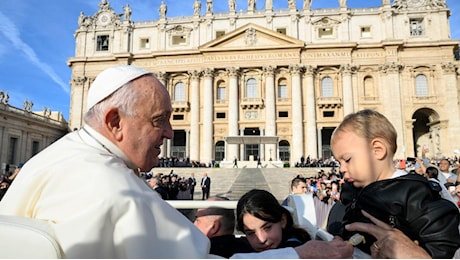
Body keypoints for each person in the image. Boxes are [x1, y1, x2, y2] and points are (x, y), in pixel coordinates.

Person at [0, 65, 353, 259]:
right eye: (159, 120)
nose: (171, 134)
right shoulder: (109, 189)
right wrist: (300, 256)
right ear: (113, 122)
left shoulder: (61, 158)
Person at [330, 109, 460, 258]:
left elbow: (442, 242)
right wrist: (341, 237)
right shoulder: (354, 191)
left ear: (377, 150)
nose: (341, 169)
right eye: (338, 162)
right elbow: (349, 222)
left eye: (347, 159)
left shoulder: (413, 192)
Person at [236, 189, 311, 252]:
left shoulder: (296, 250)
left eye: (267, 228)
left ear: (282, 221)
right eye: (251, 233)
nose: (261, 240)